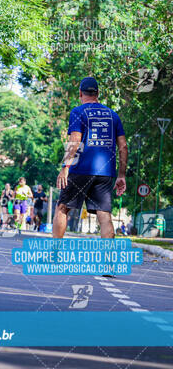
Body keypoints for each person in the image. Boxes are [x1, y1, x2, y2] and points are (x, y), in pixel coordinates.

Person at [52, 77, 127, 275]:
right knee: (104, 216)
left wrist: (65, 166)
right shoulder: (113, 115)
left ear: (80, 93)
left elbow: (76, 140)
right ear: (98, 94)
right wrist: (121, 175)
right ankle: (108, 264)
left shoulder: (78, 112)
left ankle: (55, 256)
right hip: (106, 173)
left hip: (80, 169)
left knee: (63, 208)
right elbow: (123, 146)